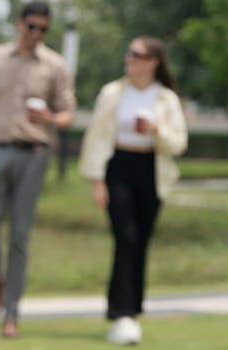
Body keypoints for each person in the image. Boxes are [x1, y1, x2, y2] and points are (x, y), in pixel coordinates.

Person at [0, 1, 75, 338]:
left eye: (44, 29)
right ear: (19, 24)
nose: (37, 34)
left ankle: (12, 313)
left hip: (34, 154)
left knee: (20, 236)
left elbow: (68, 113)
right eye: (32, 27)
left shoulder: (55, 65)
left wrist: (51, 119)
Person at [79, 36, 188, 345]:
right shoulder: (112, 92)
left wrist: (157, 130)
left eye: (136, 54)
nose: (128, 57)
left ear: (153, 61)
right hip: (117, 167)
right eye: (128, 52)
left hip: (151, 171)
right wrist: (97, 180)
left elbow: (178, 143)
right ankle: (121, 312)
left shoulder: (165, 98)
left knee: (141, 241)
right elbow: (96, 138)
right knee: (125, 238)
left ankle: (132, 311)